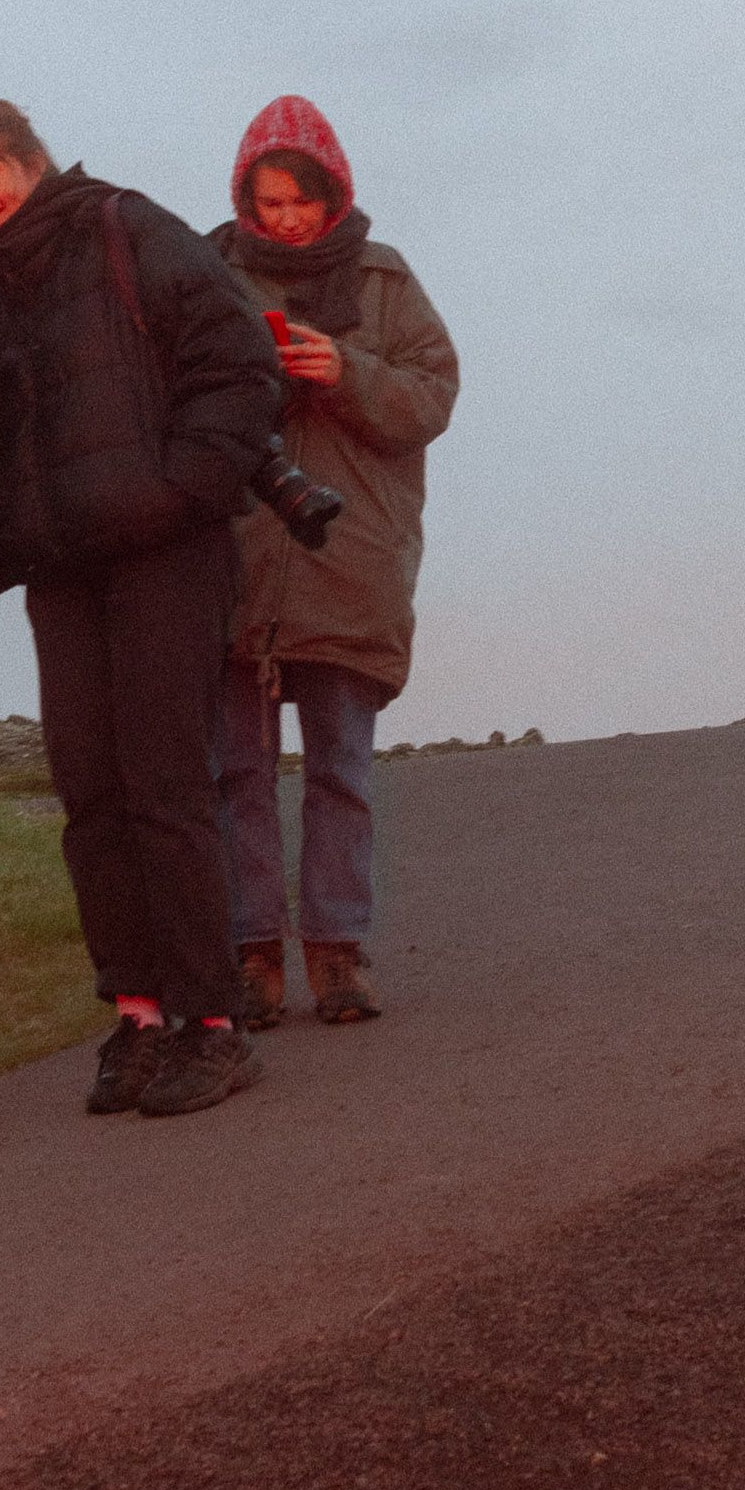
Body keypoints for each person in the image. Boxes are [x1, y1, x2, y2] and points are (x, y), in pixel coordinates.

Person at [0, 96, 281, 1120]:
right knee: (91, 793)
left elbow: (238, 361)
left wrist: (181, 490)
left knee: (165, 782)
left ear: (29, 161)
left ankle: (211, 1022)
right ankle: (138, 1013)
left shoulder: (128, 227)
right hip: (65, 570)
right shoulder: (3, 307)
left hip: (166, 554)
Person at [208, 95, 460, 1027]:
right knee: (235, 774)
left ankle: (338, 955)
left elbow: (432, 397)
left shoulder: (385, 279)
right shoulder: (209, 273)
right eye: (267, 202)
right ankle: (252, 958)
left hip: (351, 558)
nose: (284, 220)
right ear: (244, 199)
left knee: (339, 772)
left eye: (300, 201)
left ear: (334, 193)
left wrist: (345, 372)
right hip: (235, 558)